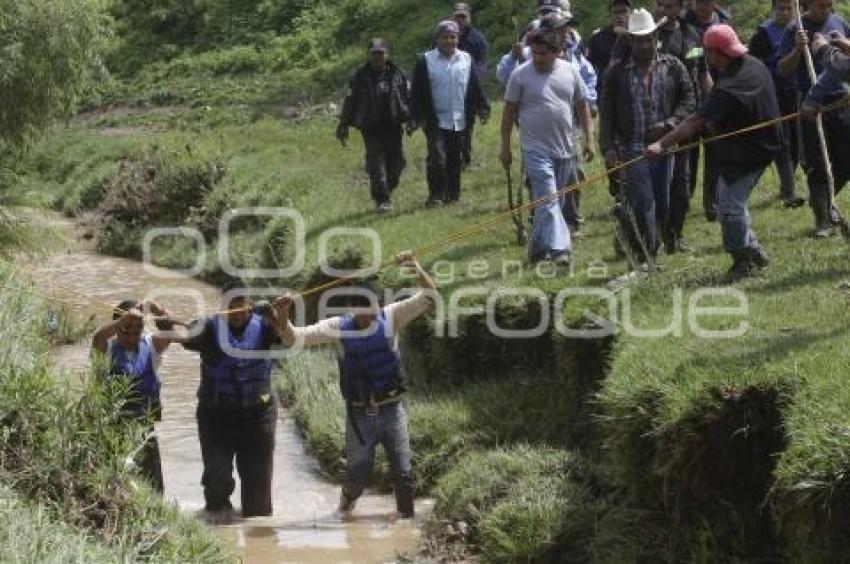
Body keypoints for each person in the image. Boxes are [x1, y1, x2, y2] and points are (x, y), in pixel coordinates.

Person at [276, 251, 436, 520]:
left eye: (374, 305)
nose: (371, 312)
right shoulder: (338, 327)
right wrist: (282, 317)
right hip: (359, 414)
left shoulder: (392, 316)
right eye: (364, 307)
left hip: (392, 408)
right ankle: (344, 509)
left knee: (403, 472)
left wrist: (416, 269)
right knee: (357, 476)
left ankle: (405, 523)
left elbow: (429, 298)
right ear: (354, 308)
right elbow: (295, 339)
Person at [647, 24, 781, 281]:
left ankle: (743, 260)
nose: (706, 56)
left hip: (749, 153)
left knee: (730, 208)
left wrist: (661, 145)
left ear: (716, 52)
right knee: (730, 203)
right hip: (759, 146)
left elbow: (694, 121)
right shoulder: (752, 64)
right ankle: (755, 253)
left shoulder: (731, 85)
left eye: (707, 52)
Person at [176, 279, 289, 518]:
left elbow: (287, 335)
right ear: (223, 305)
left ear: (249, 304)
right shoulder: (208, 328)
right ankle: (218, 522)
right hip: (216, 416)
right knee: (217, 480)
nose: (237, 312)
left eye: (241, 304)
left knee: (258, 497)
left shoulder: (266, 325)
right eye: (231, 306)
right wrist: (171, 327)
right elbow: (186, 337)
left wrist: (280, 314)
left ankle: (256, 539)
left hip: (259, 416)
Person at [600, 8, 695, 264]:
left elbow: (688, 99)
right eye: (639, 39)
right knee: (644, 202)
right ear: (630, 41)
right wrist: (608, 147)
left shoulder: (673, 66)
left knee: (662, 202)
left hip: (664, 146)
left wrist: (670, 123)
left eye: (648, 38)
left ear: (656, 38)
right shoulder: (616, 73)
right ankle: (647, 255)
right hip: (632, 148)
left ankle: (648, 244)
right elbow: (606, 113)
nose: (644, 44)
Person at [500, 28, 595, 265]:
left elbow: (582, 106)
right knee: (549, 198)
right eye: (535, 53)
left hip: (566, 148)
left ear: (557, 52)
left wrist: (589, 139)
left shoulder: (570, 72)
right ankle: (560, 250)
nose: (538, 58)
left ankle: (537, 250)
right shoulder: (520, 75)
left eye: (543, 53)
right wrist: (505, 147)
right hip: (534, 149)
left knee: (552, 202)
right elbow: (508, 112)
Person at [778, 0, 850, 238]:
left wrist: (840, 45)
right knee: (818, 161)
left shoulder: (839, 22)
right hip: (810, 101)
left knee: (845, 159)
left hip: (840, 100)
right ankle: (823, 220)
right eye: (820, 5)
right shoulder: (795, 28)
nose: (825, 9)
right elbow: (782, 69)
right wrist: (798, 50)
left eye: (829, 4)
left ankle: (824, 201)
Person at [92, 299, 179, 492]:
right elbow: (98, 337)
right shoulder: (106, 349)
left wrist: (157, 308)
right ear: (117, 328)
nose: (132, 335)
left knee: (154, 487)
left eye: (137, 330)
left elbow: (170, 330)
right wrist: (125, 318)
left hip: (144, 428)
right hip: (113, 429)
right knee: (117, 486)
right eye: (125, 329)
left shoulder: (151, 345)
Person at [410, 20, 490, 206]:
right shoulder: (425, 60)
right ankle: (436, 195)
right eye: (444, 37)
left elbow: (474, 86)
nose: (449, 41)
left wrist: (483, 107)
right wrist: (415, 117)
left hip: (459, 118)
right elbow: (416, 91)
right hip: (435, 118)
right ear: (437, 39)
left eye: (452, 37)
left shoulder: (466, 59)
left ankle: (453, 195)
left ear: (458, 39)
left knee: (455, 158)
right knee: (437, 156)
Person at [655, 0, 713, 252]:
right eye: (664, 6)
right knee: (657, 183)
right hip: (657, 121)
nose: (668, 12)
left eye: (673, 6)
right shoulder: (649, 36)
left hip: (688, 117)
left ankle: (675, 234)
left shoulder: (692, 35)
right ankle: (649, 233)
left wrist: (711, 109)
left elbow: (703, 74)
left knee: (683, 180)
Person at [337, 39, 411, 214]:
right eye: (374, 53)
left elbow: (409, 98)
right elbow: (350, 101)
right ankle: (382, 200)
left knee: (398, 163)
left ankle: (386, 190)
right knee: (377, 164)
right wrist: (343, 125)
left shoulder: (399, 74)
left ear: (387, 54)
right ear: (369, 55)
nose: (378, 56)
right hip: (370, 126)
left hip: (393, 124)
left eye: (381, 53)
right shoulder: (359, 77)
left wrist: (413, 119)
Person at [749, 0, 807, 209]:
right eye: (780, 9)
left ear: (796, 10)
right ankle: (790, 191)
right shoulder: (763, 34)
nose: (784, 12)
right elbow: (753, 66)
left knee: (796, 142)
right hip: (772, 94)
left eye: (788, 8)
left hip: (797, 92)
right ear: (773, 10)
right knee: (782, 141)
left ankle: (787, 185)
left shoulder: (800, 30)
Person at [452, 3, 489, 169]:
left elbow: (482, 63)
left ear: (469, 18)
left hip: (469, 91)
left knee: (466, 126)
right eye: (457, 16)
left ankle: (465, 159)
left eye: (463, 17)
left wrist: (473, 78)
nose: (460, 20)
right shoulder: (445, 35)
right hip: (448, 89)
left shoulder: (478, 38)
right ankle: (451, 157)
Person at [587, 0, 633, 76]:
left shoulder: (639, 38)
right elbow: (591, 71)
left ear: (631, 13)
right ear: (610, 15)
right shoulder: (597, 40)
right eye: (616, 12)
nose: (620, 16)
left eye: (624, 11)